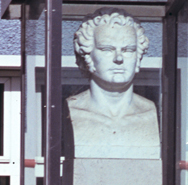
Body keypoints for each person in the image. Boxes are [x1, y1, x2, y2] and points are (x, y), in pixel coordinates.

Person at [66, 10, 160, 158]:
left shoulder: (151, 113)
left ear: (138, 56)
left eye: (128, 50)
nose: (118, 58)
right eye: (107, 49)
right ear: (88, 56)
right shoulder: (72, 110)